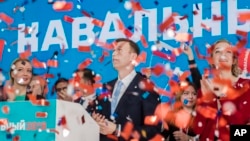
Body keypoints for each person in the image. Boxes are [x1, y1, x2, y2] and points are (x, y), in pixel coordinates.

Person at [91, 38, 161, 141]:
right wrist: (95, 120)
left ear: (132, 57)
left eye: (119, 50)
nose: (114, 54)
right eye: (113, 51)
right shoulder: (105, 87)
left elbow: (154, 130)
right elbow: (98, 115)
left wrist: (117, 129)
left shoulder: (147, 88)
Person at [192, 39, 250, 141]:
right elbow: (199, 131)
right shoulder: (205, 88)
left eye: (228, 51)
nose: (223, 55)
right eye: (218, 51)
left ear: (234, 59)